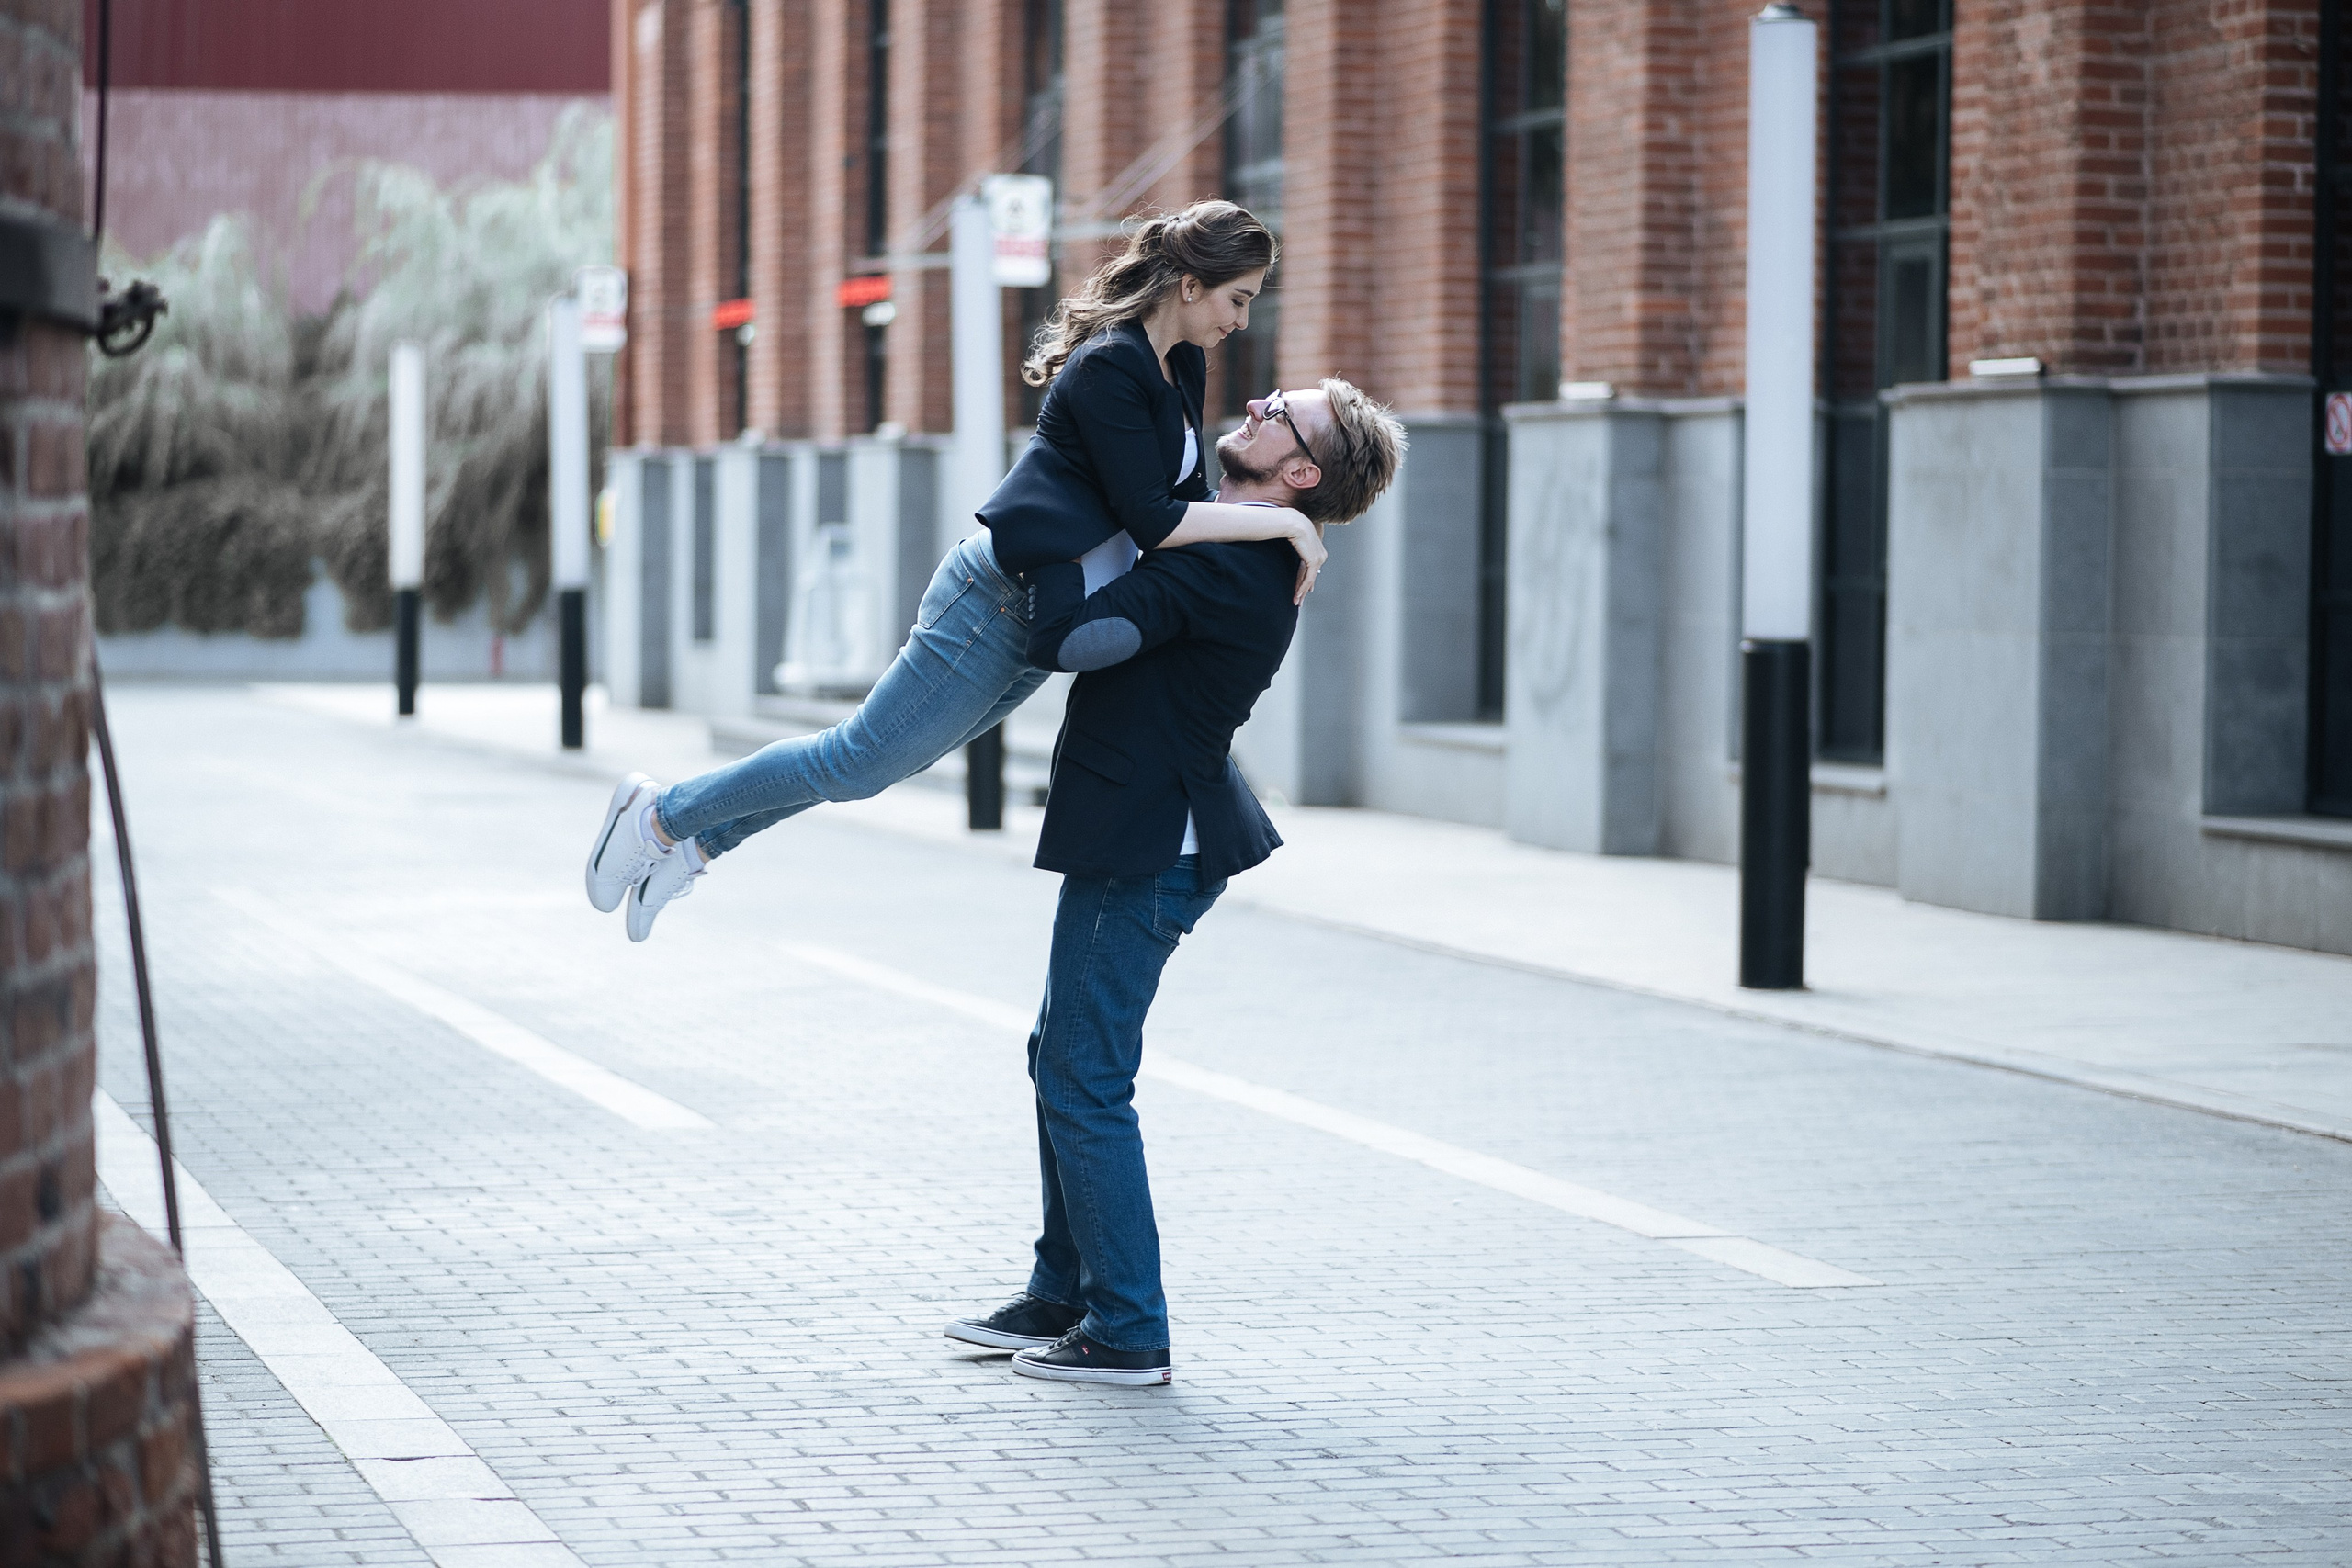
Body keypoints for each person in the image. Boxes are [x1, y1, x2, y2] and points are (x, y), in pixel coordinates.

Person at [585, 200, 1325, 939]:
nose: (1242, 321)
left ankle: (697, 841)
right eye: (1239, 299)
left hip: (1054, 608)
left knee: (867, 764)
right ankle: (658, 815)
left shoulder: (1181, 364)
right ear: (1192, 286)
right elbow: (1156, 521)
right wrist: (1285, 519)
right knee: (858, 759)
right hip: (997, 600)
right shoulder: (1114, 366)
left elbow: (1185, 501)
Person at [944, 378, 1407, 1385]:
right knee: (1060, 1057)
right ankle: (1062, 1291)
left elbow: (1069, 641)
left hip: (1155, 843)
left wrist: (1044, 540)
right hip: (1154, 832)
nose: (1257, 398)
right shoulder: (1242, 540)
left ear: (1299, 474)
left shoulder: (1234, 570)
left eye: (1285, 412)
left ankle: (1126, 1329)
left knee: (1082, 1075)